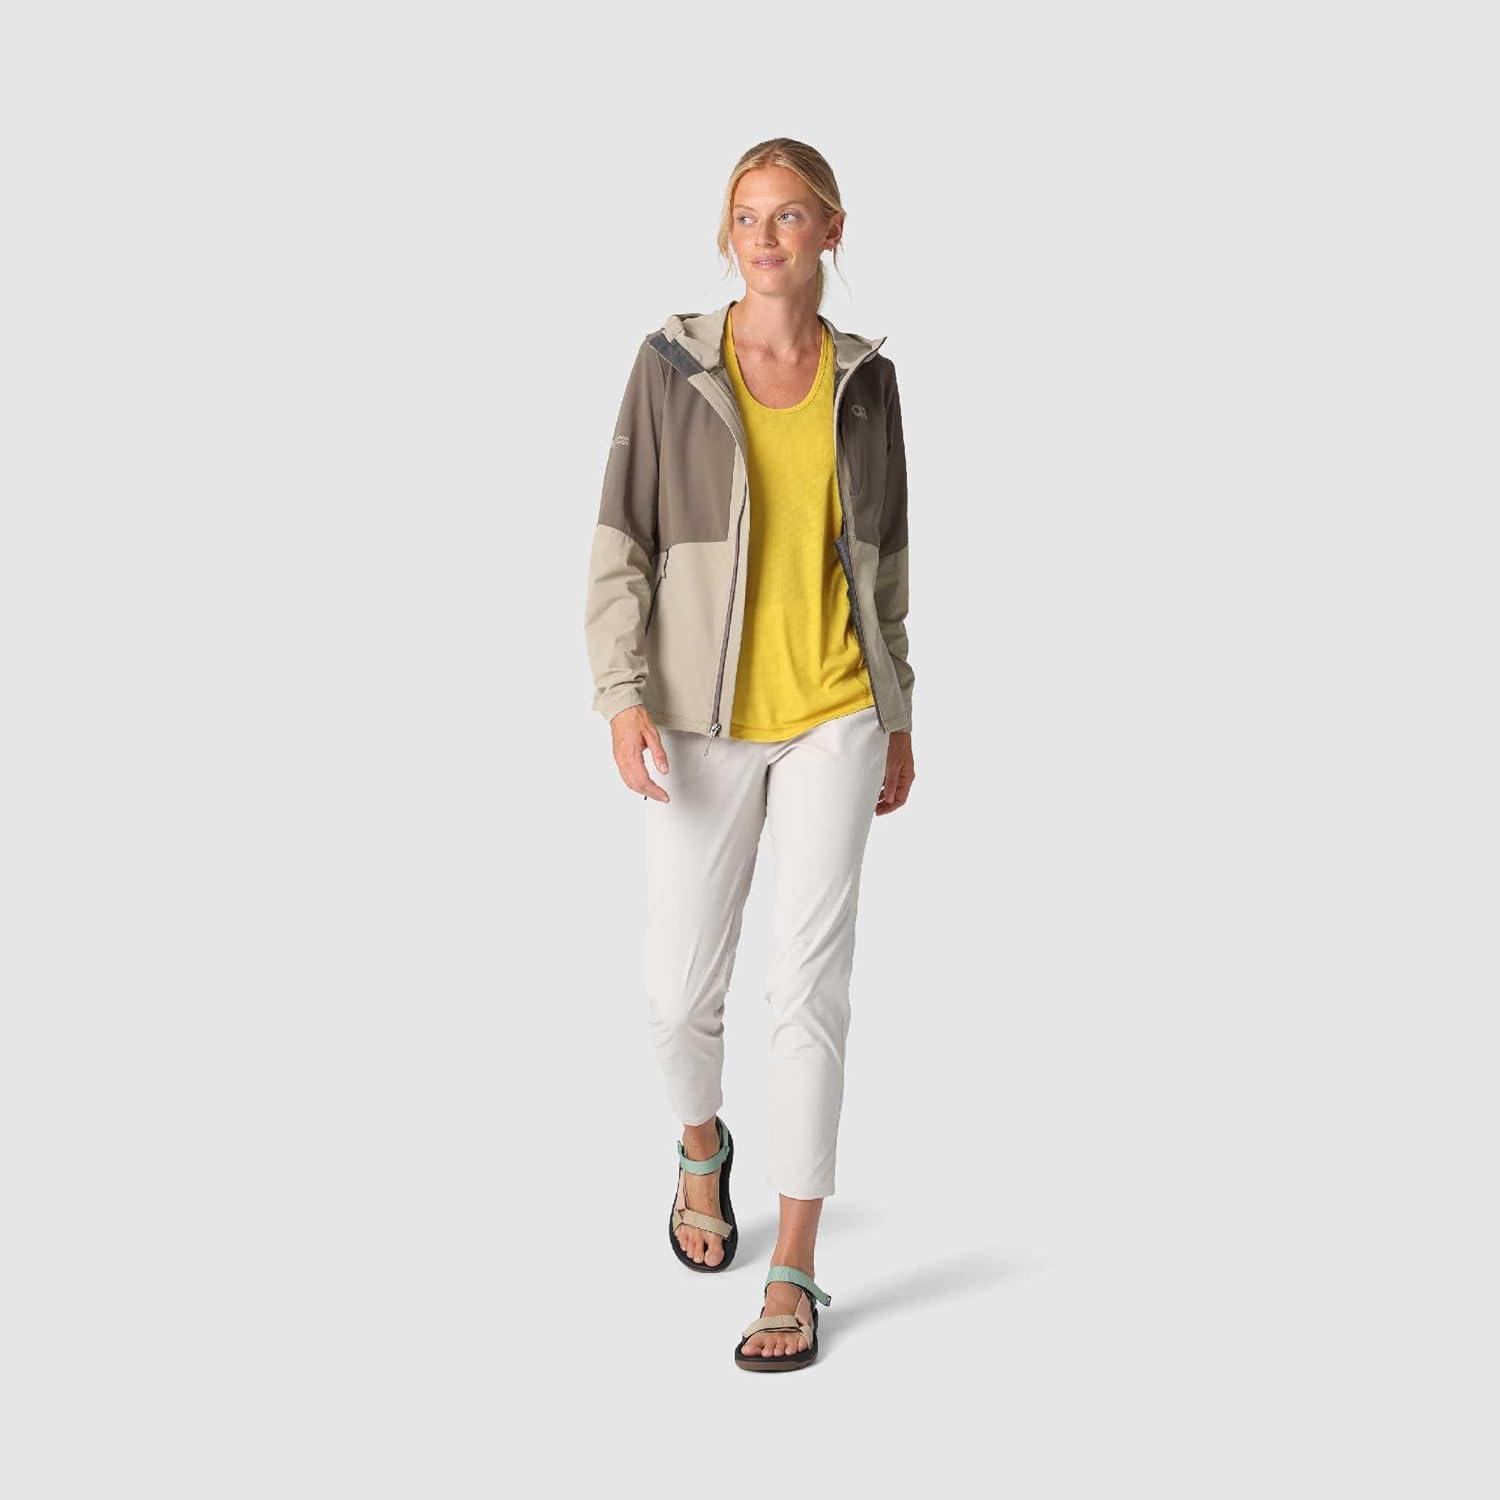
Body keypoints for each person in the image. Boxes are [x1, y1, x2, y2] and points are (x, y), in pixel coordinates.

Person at [582, 138, 917, 1371]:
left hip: (838, 708)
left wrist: (900, 712)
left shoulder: (867, 380)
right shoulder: (671, 366)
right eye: (744, 216)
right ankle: (701, 1144)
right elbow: (620, 540)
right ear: (726, 235)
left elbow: (887, 561)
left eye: (787, 216)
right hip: (698, 715)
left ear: (832, 229)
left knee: (809, 986)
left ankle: (796, 1264)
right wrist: (621, 694)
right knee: (678, 996)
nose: (764, 237)